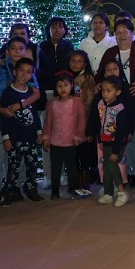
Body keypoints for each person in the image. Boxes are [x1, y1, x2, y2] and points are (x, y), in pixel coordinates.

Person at [0, 36, 41, 206]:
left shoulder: (27, 69)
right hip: (0, 114)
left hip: (21, 117)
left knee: (21, 156)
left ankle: (17, 186)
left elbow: (36, 93)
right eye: (13, 49)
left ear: (26, 51)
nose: (17, 52)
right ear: (7, 51)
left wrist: (20, 105)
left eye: (20, 49)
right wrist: (2, 109)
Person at [96, 17, 135, 187]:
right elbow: (100, 75)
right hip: (114, 103)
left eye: (125, 31)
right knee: (115, 138)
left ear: (132, 33)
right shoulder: (110, 53)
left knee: (133, 137)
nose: (122, 35)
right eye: (118, 32)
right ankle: (118, 175)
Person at [0, 57, 44, 207]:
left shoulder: (31, 93)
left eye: (28, 72)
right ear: (14, 71)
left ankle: (31, 188)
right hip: (15, 138)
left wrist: (39, 132)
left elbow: (35, 114)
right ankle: (10, 191)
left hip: (31, 137)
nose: (24, 74)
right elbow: (4, 119)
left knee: (32, 165)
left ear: (32, 75)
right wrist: (6, 138)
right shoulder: (8, 93)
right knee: (13, 166)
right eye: (21, 71)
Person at [57, 50, 97, 197]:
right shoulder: (64, 78)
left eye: (79, 61)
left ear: (85, 63)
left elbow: (89, 101)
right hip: (67, 124)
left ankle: (85, 184)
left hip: (84, 123)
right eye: (73, 60)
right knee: (71, 155)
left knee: (85, 154)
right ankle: (74, 184)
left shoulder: (88, 79)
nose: (75, 64)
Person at [88, 76, 132, 207]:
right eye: (103, 91)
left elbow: (121, 132)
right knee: (105, 167)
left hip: (116, 143)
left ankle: (122, 192)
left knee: (112, 165)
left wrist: (116, 150)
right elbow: (100, 124)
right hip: (105, 141)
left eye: (109, 91)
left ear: (117, 92)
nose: (105, 94)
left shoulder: (120, 109)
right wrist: (100, 139)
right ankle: (108, 193)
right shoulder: (101, 105)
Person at [41, 73, 86, 200]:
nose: (63, 89)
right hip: (55, 142)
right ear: (55, 88)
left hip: (71, 142)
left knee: (72, 167)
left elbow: (81, 121)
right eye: (59, 86)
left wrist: (78, 136)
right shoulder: (52, 103)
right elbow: (47, 122)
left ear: (72, 86)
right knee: (55, 167)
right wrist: (46, 138)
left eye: (66, 85)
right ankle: (55, 190)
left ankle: (73, 189)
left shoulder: (77, 102)